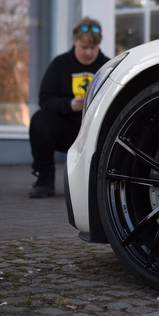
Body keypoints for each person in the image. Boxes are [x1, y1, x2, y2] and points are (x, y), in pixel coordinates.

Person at [29, 17, 110, 198]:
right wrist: (69, 105)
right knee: (40, 120)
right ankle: (44, 180)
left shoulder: (108, 67)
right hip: (67, 127)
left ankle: (105, 185)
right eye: (84, 47)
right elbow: (45, 98)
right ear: (74, 41)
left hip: (96, 130)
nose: (88, 52)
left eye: (93, 48)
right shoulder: (60, 64)